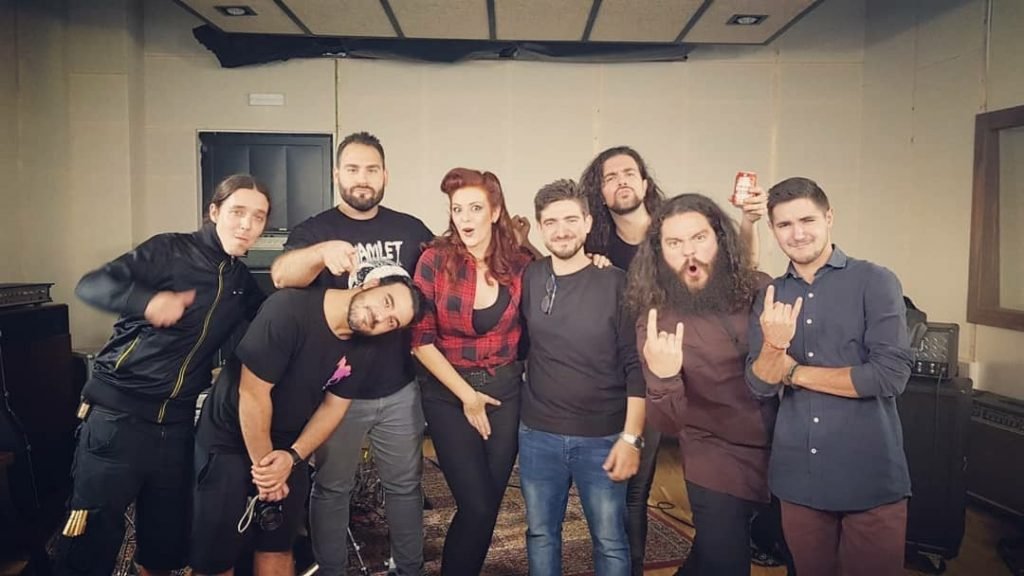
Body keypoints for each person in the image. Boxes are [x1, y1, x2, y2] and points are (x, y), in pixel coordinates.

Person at [55, 174, 271, 576]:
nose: (247, 225)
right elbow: (92, 285)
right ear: (213, 212)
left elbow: (268, 325)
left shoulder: (240, 282)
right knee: (91, 539)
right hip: (117, 418)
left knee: (165, 544)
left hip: (176, 427)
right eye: (238, 212)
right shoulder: (171, 249)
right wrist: (148, 300)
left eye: (258, 217)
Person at [579, 146, 765, 574]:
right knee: (628, 493)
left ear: (645, 183)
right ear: (600, 192)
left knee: (698, 521)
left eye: (630, 172)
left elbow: (738, 278)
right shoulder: (596, 246)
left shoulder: (677, 226)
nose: (622, 181)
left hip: (691, 390)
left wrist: (750, 224)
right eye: (611, 176)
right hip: (632, 384)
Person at [270, 132, 434, 576]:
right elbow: (283, 276)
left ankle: (410, 569)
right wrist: (321, 254)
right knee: (332, 488)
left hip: (399, 388)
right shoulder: (315, 230)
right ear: (336, 174)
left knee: (405, 488)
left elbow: (449, 272)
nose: (363, 179)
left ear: (386, 175)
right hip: (335, 396)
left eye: (372, 169)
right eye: (354, 169)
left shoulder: (411, 229)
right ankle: (332, 569)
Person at [189, 271, 423, 576]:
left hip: (287, 447)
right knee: (216, 560)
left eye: (392, 321)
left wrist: (294, 456)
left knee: (278, 547)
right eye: (386, 302)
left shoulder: (367, 347)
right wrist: (266, 470)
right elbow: (252, 393)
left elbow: (332, 409)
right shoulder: (289, 310)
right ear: (371, 285)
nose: (380, 317)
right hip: (229, 438)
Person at [746, 177, 913, 576]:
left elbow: (888, 377)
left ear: (829, 218)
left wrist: (796, 372)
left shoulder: (875, 281)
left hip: (870, 476)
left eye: (807, 220)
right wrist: (773, 346)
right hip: (797, 479)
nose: (797, 233)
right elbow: (759, 385)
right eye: (784, 225)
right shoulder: (770, 296)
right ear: (772, 230)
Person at [625, 193, 779, 576]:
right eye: (674, 244)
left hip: (782, 448)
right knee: (726, 563)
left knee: (711, 556)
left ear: (720, 239)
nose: (689, 253)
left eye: (699, 238)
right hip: (715, 453)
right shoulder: (656, 318)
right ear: (659, 253)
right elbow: (668, 423)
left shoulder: (759, 287)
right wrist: (662, 377)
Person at [410, 167, 534, 576]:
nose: (464, 218)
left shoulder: (520, 264)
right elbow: (420, 339)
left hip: (505, 393)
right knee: (476, 503)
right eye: (457, 208)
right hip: (449, 395)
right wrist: (467, 395)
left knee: (487, 507)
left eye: (475, 208)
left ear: (495, 211)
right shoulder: (434, 261)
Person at [518, 179, 645, 576]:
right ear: (540, 228)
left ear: (588, 223)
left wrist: (631, 438)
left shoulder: (616, 282)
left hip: (603, 438)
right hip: (538, 435)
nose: (562, 230)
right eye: (551, 222)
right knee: (540, 534)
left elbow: (636, 367)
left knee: (609, 541)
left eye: (571, 219)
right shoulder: (530, 278)